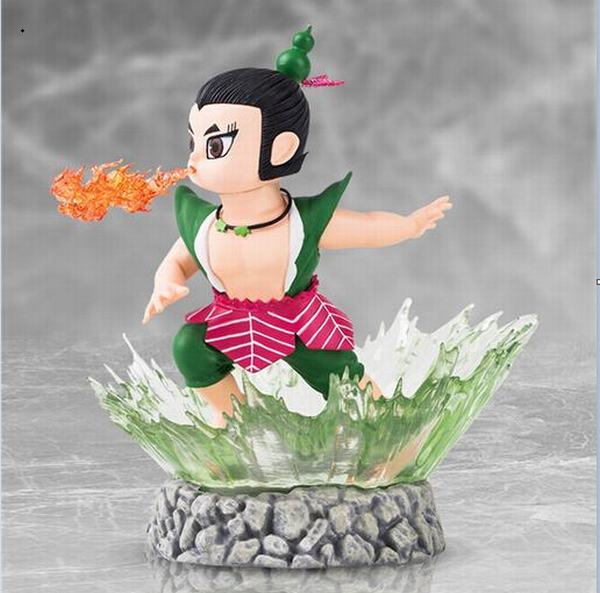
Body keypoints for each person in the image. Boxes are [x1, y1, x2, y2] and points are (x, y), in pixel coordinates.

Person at [142, 28, 452, 427]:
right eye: (193, 143)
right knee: (190, 346)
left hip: (298, 323)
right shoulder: (204, 225)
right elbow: (177, 261)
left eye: (215, 146)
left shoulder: (300, 223)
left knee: (341, 378)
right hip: (229, 321)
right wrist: (165, 283)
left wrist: (408, 226)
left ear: (281, 148)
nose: (195, 159)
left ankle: (385, 425)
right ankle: (233, 421)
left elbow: (367, 226)